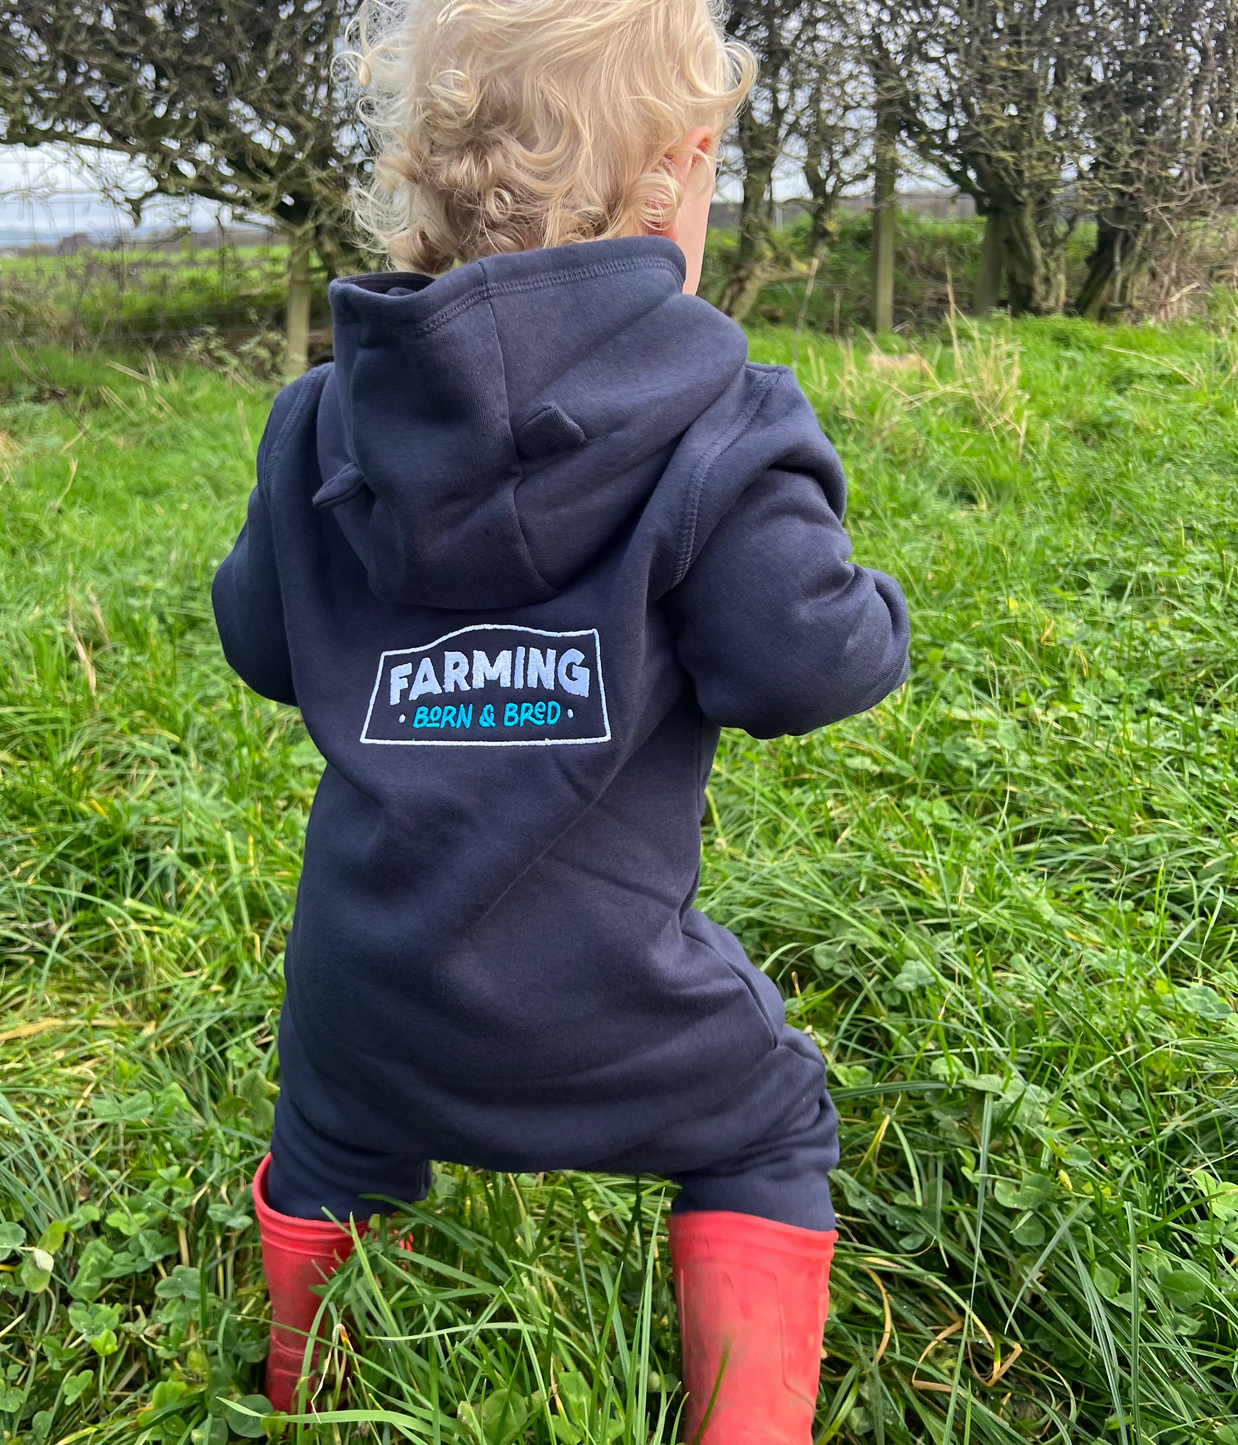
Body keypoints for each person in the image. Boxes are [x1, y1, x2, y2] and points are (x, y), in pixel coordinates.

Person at [211, 1, 910, 1439]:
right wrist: (874, 611)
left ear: (424, 172)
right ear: (682, 168)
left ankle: (305, 1391)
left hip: (364, 993)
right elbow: (798, 667)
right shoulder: (724, 425)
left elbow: (262, 647)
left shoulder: (319, 421)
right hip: (612, 1000)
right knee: (773, 1121)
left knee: (328, 1138)